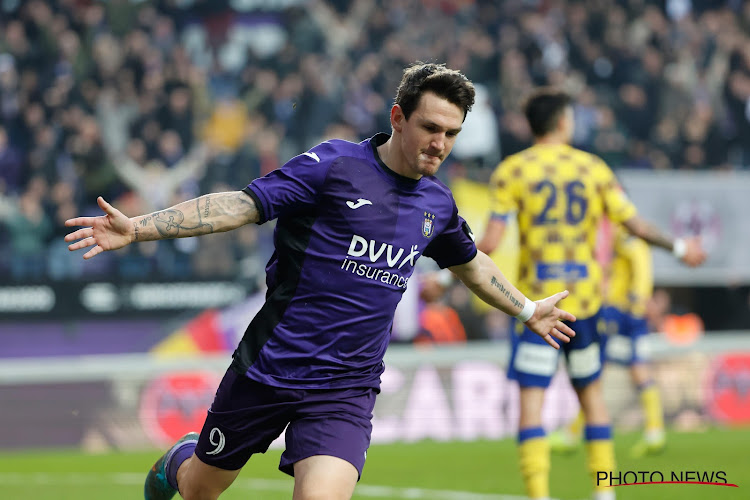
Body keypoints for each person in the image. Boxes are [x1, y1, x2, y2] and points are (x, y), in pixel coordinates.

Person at [65, 63, 577, 500]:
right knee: (202, 487)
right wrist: (138, 228)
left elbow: (473, 264)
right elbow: (241, 207)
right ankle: (179, 458)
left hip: (346, 387)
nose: (440, 144)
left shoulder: (437, 204)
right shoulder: (333, 167)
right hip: (270, 368)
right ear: (397, 118)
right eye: (430, 127)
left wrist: (528, 310)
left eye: (452, 133)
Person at [476, 88, 705, 500]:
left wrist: (444, 270)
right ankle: (605, 494)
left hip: (537, 309)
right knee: (592, 398)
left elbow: (490, 240)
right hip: (584, 307)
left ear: (531, 125)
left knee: (533, 403)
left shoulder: (513, 170)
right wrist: (681, 248)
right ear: (564, 121)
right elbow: (635, 227)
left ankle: (539, 495)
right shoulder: (593, 168)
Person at [550, 222, 666, 458]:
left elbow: (638, 255)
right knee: (636, 368)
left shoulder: (622, 228)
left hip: (621, 310)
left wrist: (637, 297)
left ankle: (572, 433)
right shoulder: (623, 227)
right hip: (631, 310)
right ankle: (655, 431)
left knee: (597, 369)